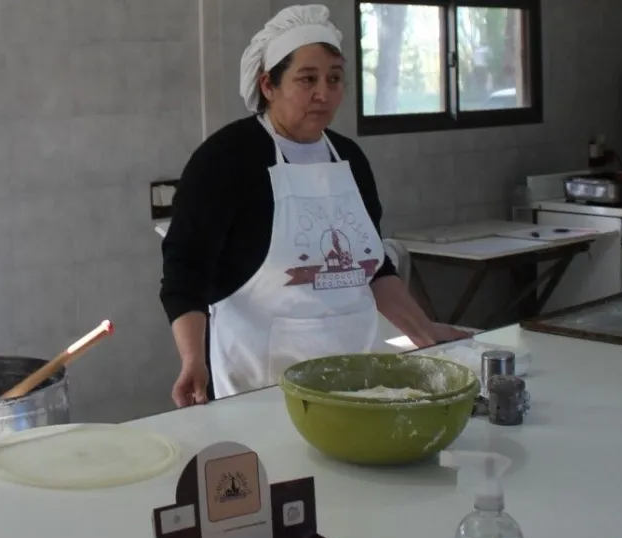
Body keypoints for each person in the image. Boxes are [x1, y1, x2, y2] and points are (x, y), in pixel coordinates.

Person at [159, 4, 470, 408]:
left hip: (356, 377)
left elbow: (373, 267)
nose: (324, 93)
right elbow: (185, 275)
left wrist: (425, 334)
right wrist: (192, 361)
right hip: (260, 385)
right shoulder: (225, 159)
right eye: (308, 79)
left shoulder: (349, 158)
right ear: (268, 85)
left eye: (334, 79)